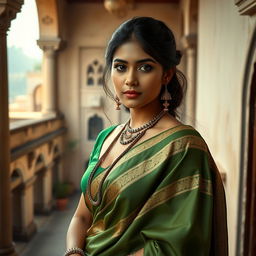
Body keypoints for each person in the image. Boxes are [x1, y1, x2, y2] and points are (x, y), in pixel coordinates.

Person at [65, 17, 228, 256]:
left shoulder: (183, 147)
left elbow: (180, 245)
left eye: (145, 67)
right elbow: (81, 215)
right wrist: (73, 252)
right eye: (120, 67)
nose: (130, 78)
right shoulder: (106, 138)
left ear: (167, 75)